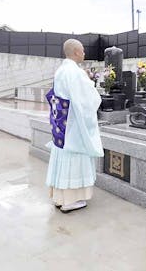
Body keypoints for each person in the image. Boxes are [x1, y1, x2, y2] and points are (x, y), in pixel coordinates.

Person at [45, 39, 104, 213]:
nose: (84, 53)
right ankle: (70, 201)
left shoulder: (61, 71)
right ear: (77, 52)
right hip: (73, 124)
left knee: (62, 155)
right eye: (83, 51)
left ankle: (59, 197)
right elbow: (86, 101)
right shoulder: (76, 73)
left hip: (61, 123)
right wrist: (89, 83)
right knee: (75, 156)